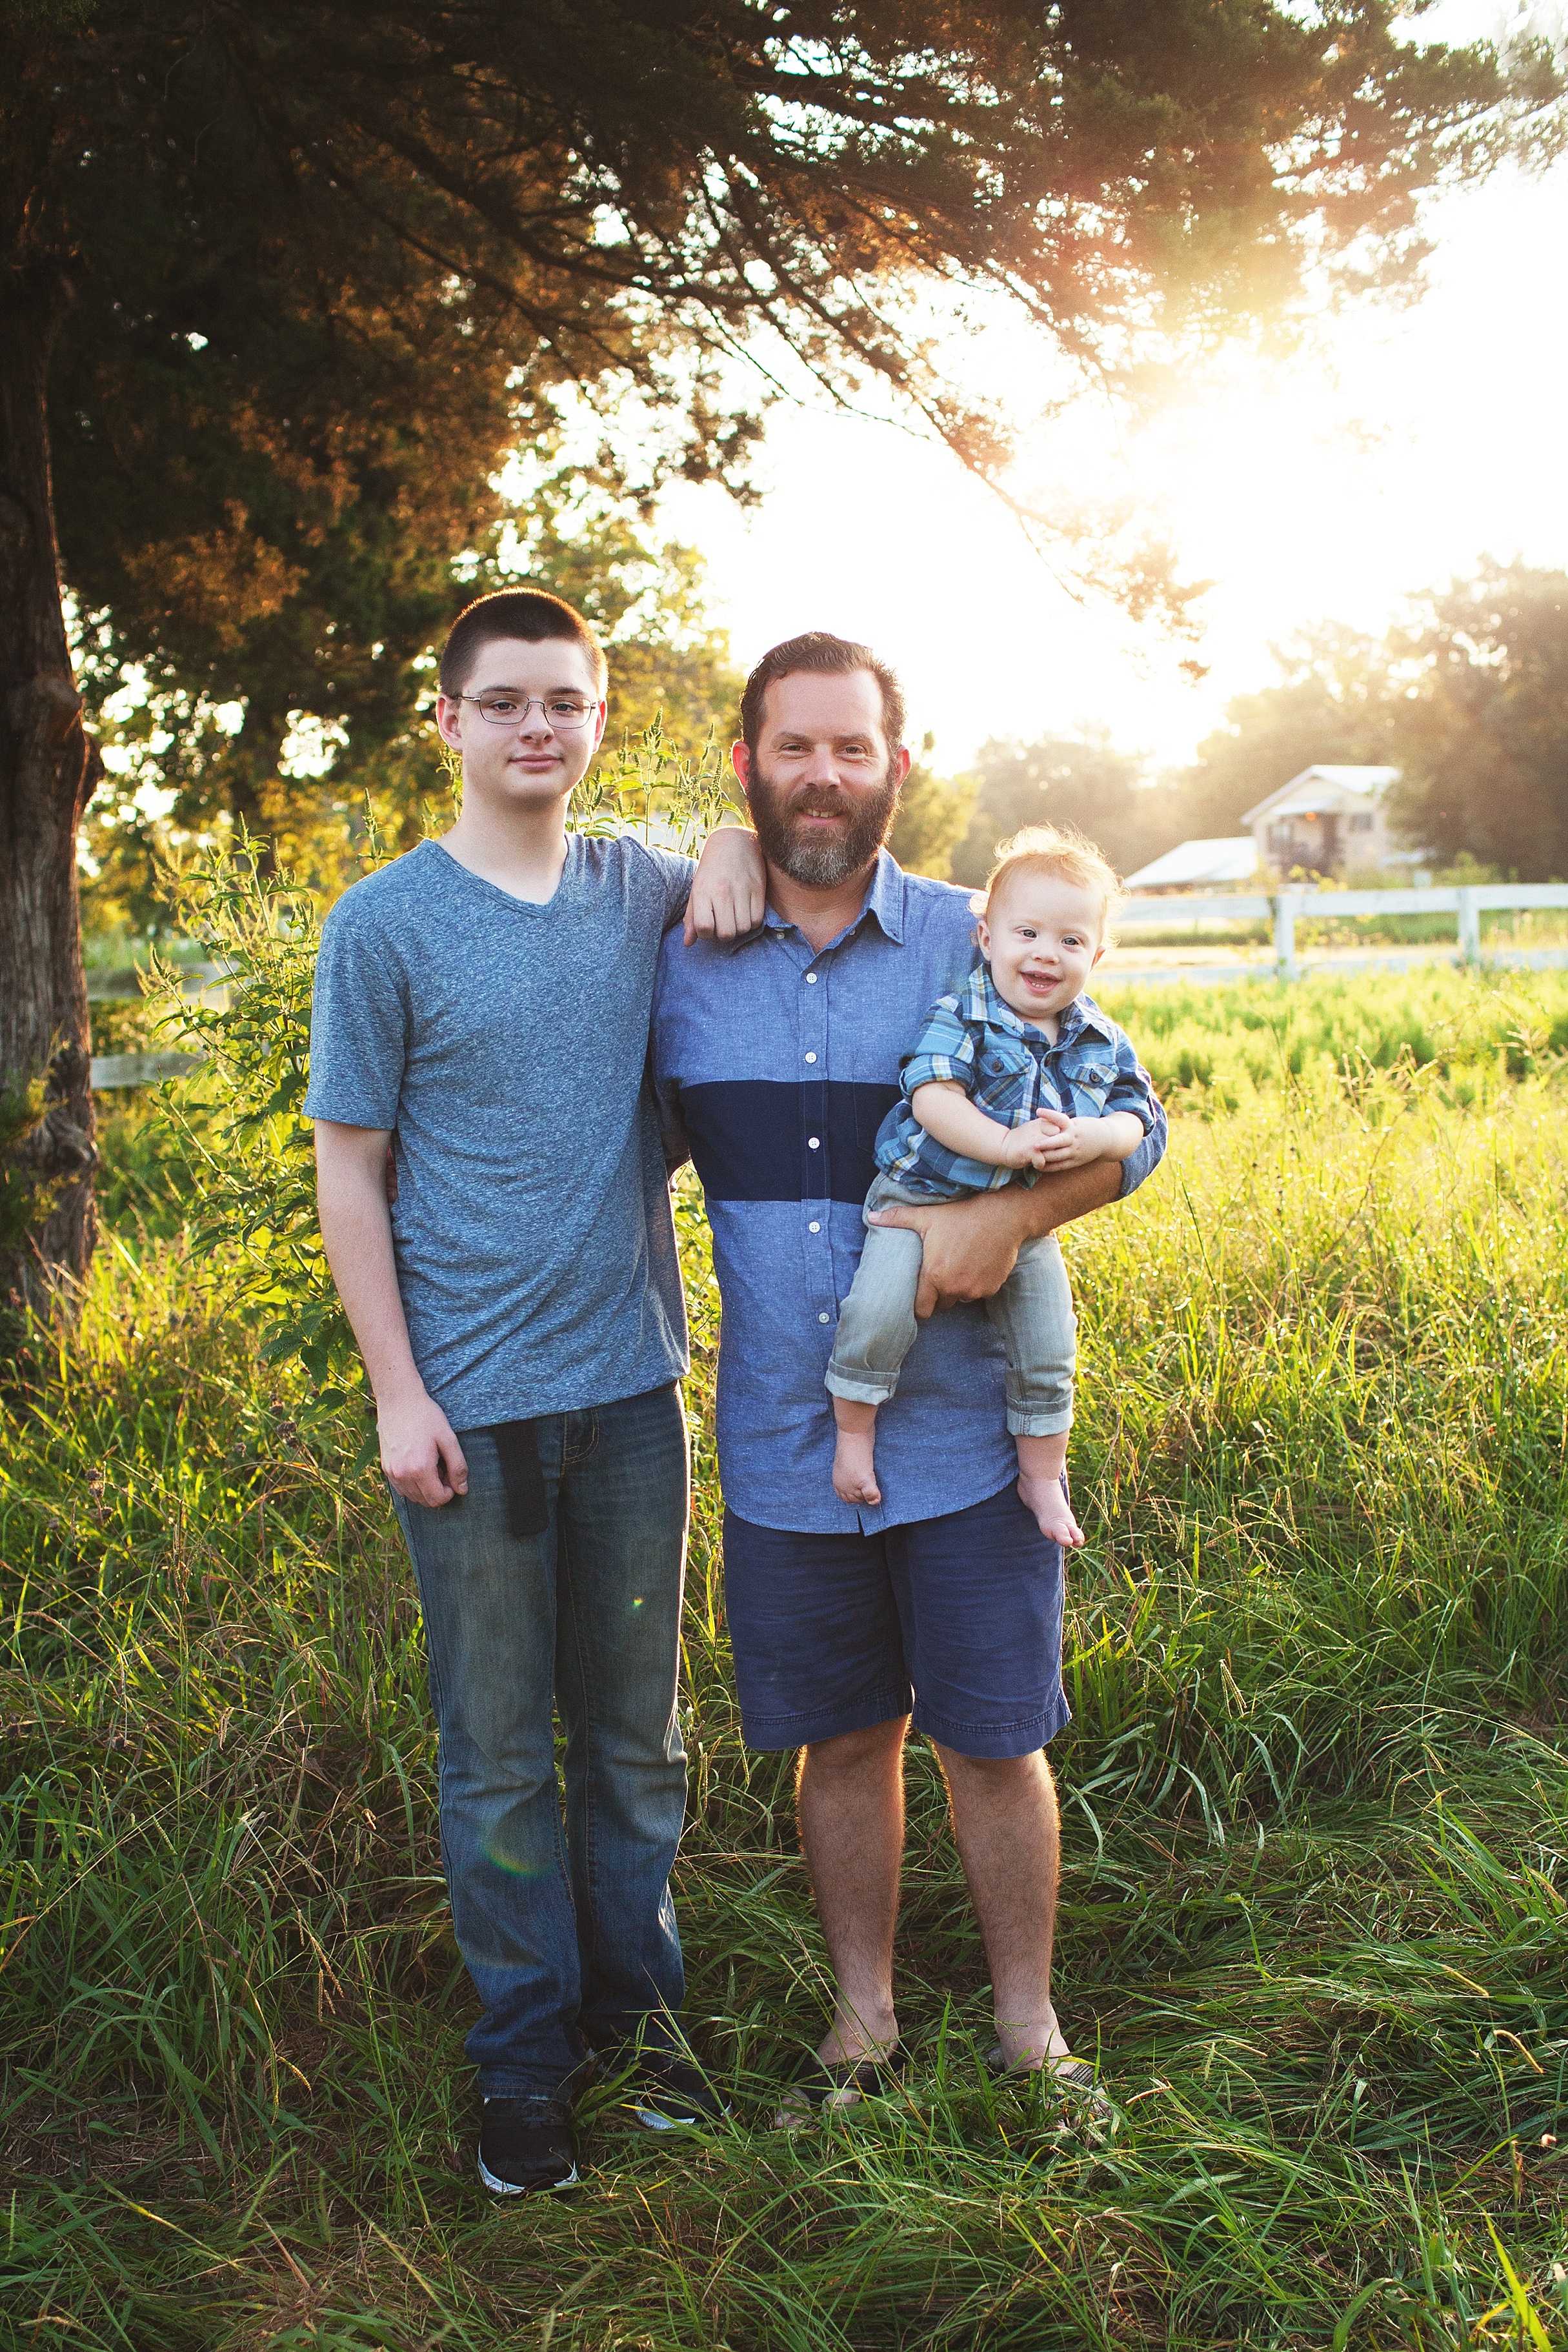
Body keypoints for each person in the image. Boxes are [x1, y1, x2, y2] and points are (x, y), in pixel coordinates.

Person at [651, 632, 1166, 2116]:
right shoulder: (681, 947)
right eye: (792, 747)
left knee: (994, 1738)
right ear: (747, 762)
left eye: (851, 747)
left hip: (963, 1438)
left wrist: (1007, 1216)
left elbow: (1141, 1120)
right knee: (843, 1739)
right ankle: (861, 2023)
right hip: (782, 1439)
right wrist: (702, 849)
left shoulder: (979, 934)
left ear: (899, 762)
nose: (823, 774)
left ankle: (1029, 2030)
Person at [307, 587, 766, 2197]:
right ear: (447, 721)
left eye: (564, 702)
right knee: (498, 1753)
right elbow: (349, 1175)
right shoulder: (385, 923)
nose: (535, 728)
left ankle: (645, 2042)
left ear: (596, 718)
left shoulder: (641, 885)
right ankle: (524, 2072)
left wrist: (723, 835)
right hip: (471, 1413)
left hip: (634, 1395)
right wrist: (394, 1392)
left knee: (636, 1744)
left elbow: (765, 849)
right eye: (504, 702)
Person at [827, 825, 1155, 1546]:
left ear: (1097, 955)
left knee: (1049, 1340)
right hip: (913, 1203)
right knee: (878, 1313)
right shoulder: (964, 1014)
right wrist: (1007, 1142)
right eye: (1028, 932)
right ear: (986, 938)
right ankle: (855, 1432)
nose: (1045, 952)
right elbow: (932, 1097)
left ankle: (1042, 1475)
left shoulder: (1101, 1039)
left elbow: (1139, 1118)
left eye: (1071, 941)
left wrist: (1094, 1138)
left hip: (1018, 1216)